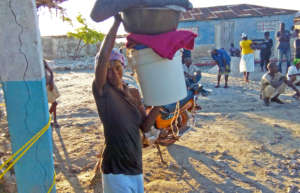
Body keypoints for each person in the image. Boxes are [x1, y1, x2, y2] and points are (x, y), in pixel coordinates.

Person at [92, 14, 160, 193]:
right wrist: (116, 23)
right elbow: (102, 59)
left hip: (136, 168)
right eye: (108, 70)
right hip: (115, 172)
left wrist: (159, 105)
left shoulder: (134, 93)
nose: (113, 74)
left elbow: (145, 127)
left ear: (123, 67)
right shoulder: (103, 92)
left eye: (117, 68)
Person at [44, 60, 60, 127]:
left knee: (54, 103)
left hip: (49, 84)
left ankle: (55, 119)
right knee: (54, 103)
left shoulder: (42, 61)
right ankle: (47, 118)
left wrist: (51, 82)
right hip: (44, 86)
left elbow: (50, 72)